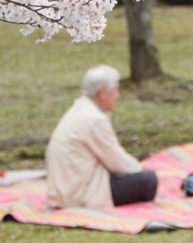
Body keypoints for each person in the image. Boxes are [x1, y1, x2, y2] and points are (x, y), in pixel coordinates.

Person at [46, 65, 158, 208]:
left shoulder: (80, 108)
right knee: (148, 180)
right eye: (116, 89)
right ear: (103, 93)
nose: (118, 95)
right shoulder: (94, 119)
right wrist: (140, 168)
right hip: (79, 194)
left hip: (67, 188)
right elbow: (118, 163)